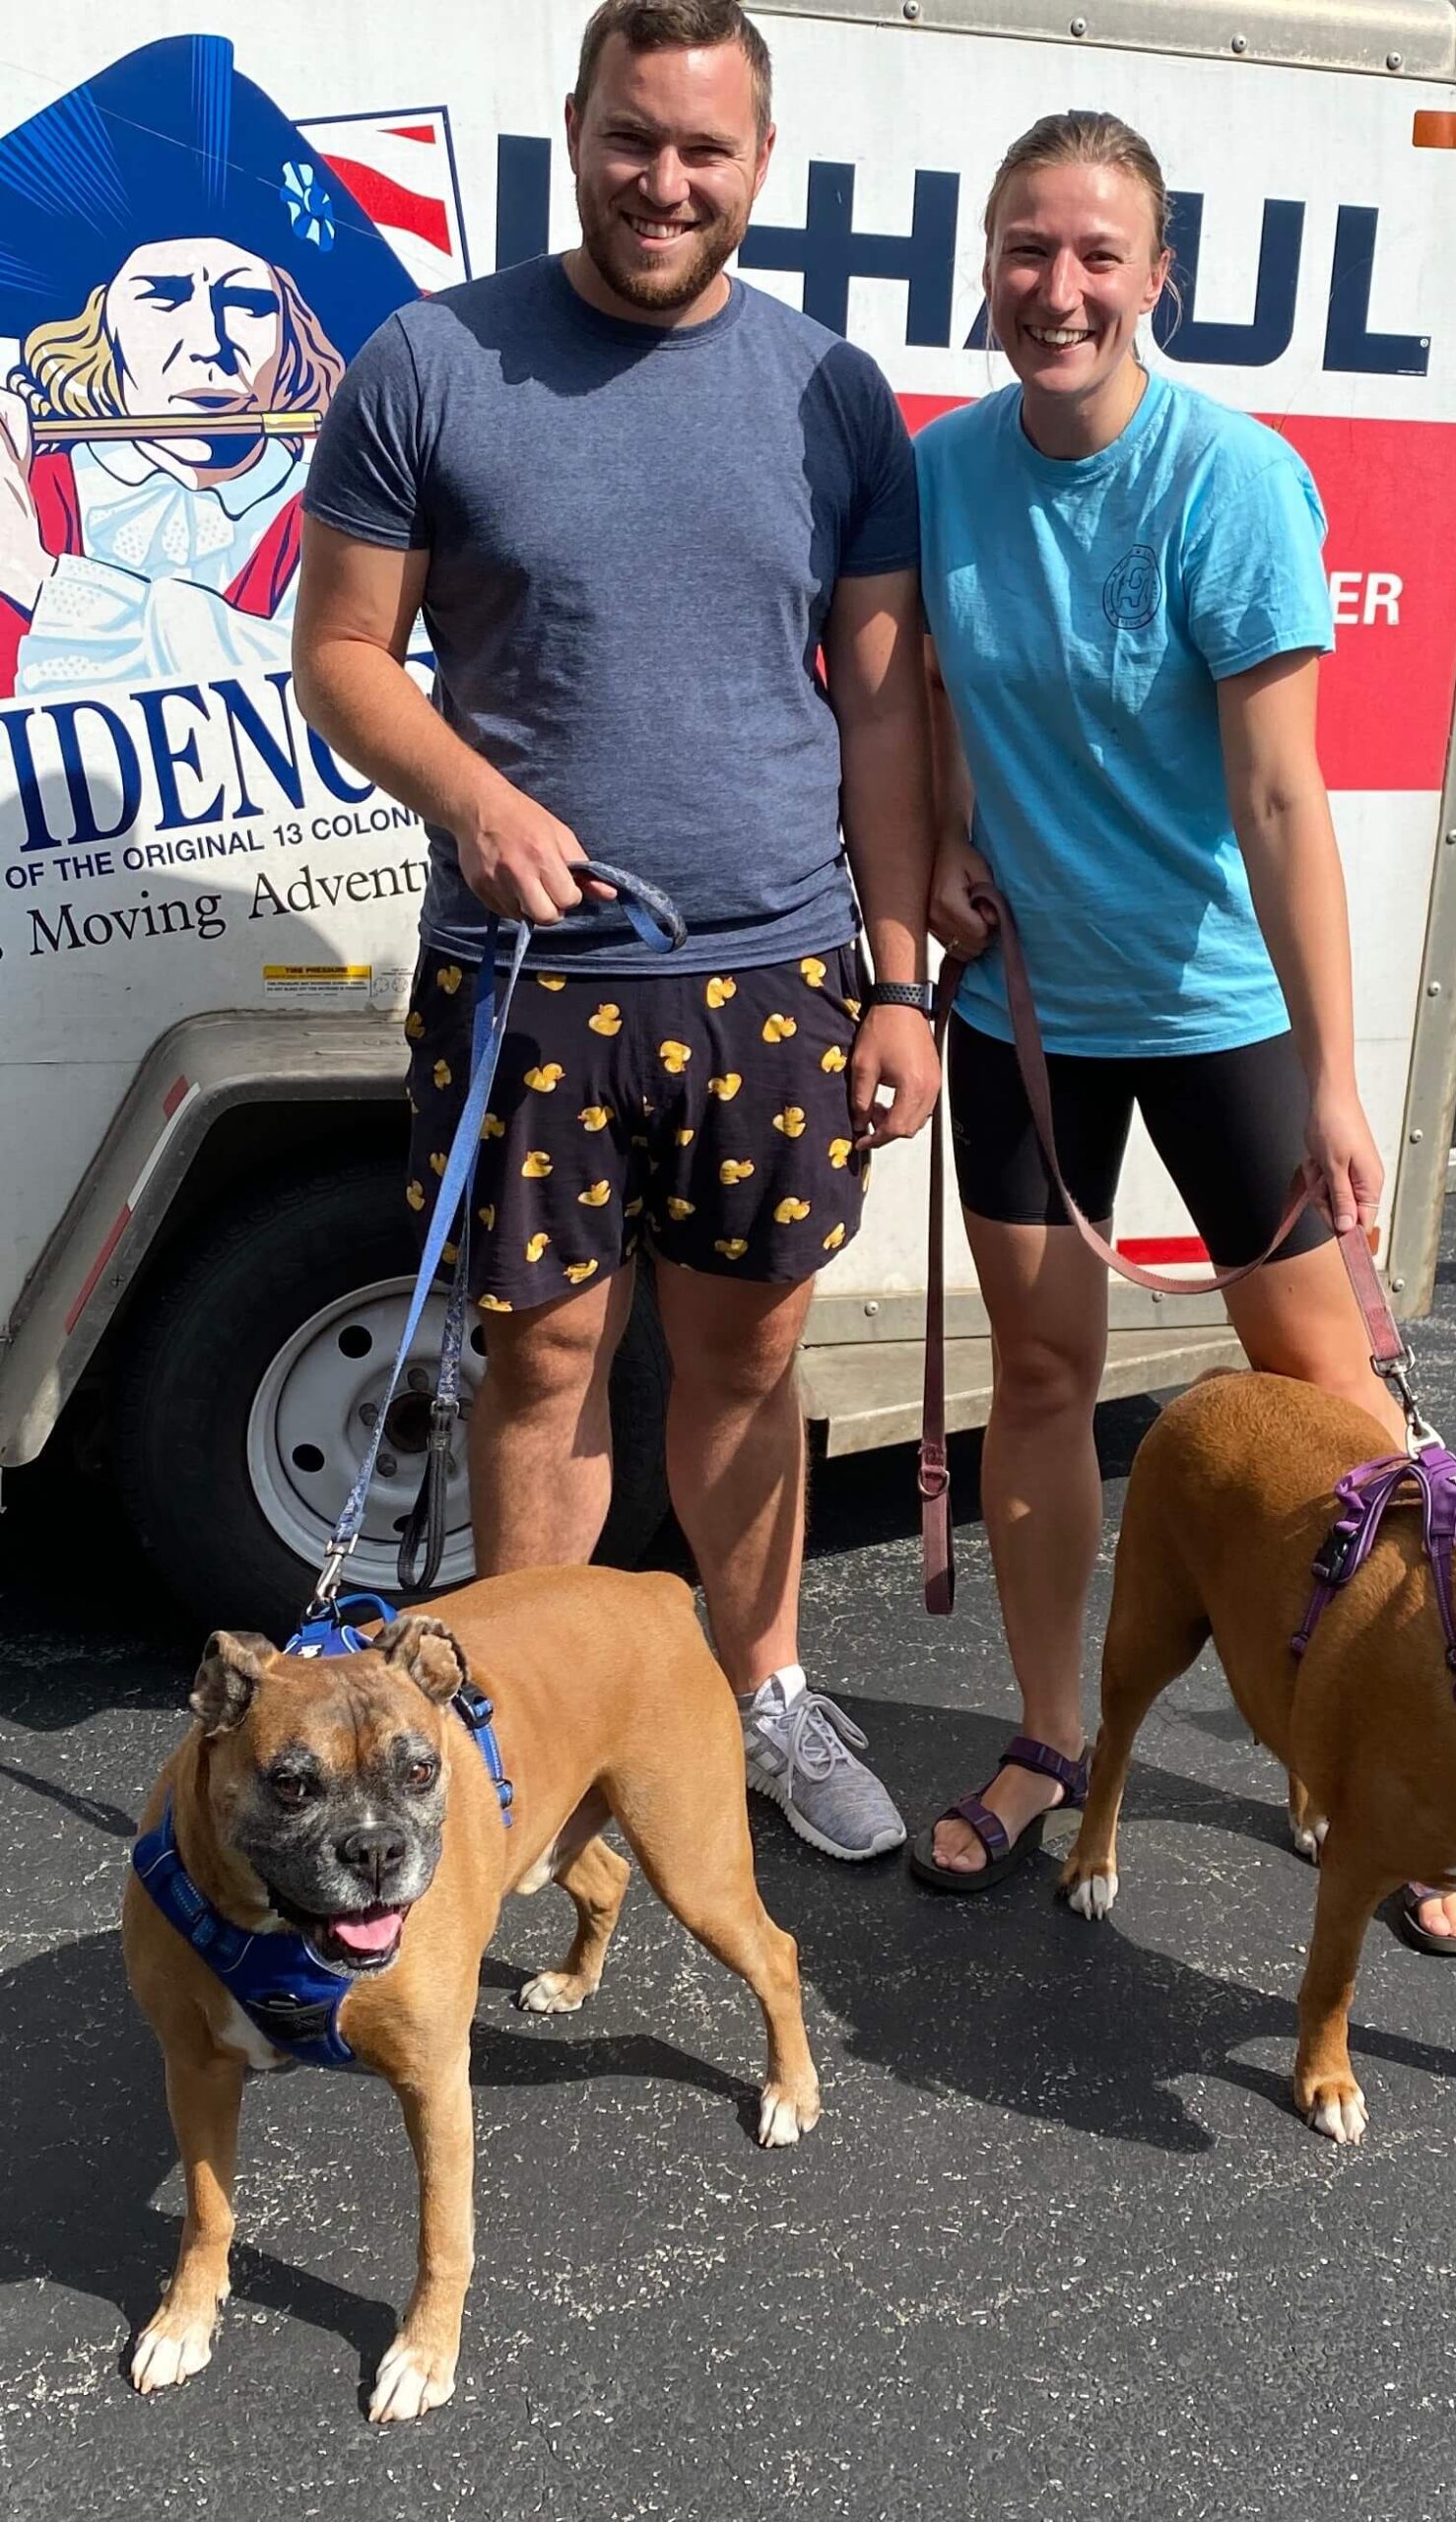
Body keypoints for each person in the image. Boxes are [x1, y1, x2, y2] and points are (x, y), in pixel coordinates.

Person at [293, 0, 940, 1861]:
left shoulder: (832, 393)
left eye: (705, 149)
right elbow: (341, 651)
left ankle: (765, 1701)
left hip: (779, 973)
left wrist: (902, 980)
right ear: (574, 129)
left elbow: (884, 705)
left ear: (760, 160)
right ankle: (525, 1738)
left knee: (745, 1368)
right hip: (530, 991)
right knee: (546, 1368)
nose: (668, 181)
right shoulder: (430, 362)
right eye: (634, 138)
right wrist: (474, 799)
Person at [910, 110, 1456, 1957]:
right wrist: (935, 844)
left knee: (1330, 1420)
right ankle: (1051, 1734)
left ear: (1158, 279)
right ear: (986, 264)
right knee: (1040, 1383)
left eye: (1097, 256)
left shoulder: (1228, 479)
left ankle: (1395, 1765)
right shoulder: (941, 478)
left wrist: (1335, 1070)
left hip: (1215, 1016)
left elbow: (1279, 799)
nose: (1058, 287)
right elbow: (927, 696)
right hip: (1023, 1018)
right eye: (1027, 249)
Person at [0, 32, 419, 696]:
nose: (207, 340)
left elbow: (372, 697)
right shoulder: (32, 489)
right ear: (98, 329)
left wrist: (37, 580)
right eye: (162, 296)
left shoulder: (356, 506)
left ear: (293, 338)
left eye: (246, 302)